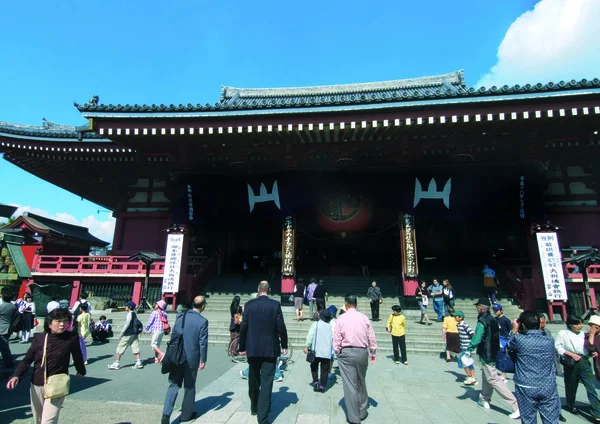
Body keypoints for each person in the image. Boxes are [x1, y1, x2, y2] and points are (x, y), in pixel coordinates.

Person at [7, 308, 86, 424]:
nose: (62, 324)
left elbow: (77, 356)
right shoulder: (39, 338)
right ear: (49, 323)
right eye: (58, 321)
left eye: (65, 321)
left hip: (57, 384)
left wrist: (81, 370)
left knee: (48, 421)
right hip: (37, 383)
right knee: (38, 420)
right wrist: (16, 375)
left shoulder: (71, 338)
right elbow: (28, 359)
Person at [238, 281, 288, 424]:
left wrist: (242, 347)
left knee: (254, 378)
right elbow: (281, 326)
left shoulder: (249, 305)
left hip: (252, 347)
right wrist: (284, 344)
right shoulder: (275, 305)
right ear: (269, 290)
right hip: (270, 348)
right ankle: (263, 417)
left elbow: (243, 327)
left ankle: (254, 406)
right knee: (267, 382)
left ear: (258, 290)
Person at [467, 297, 520, 419]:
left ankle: (515, 406)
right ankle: (484, 398)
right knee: (486, 376)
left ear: (480, 307)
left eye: (477, 307)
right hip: (494, 351)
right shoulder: (493, 319)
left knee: (493, 379)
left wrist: (469, 349)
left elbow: (476, 338)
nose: (476, 309)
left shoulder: (482, 321)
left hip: (487, 352)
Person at [161, 296, 209, 424]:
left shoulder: (181, 316)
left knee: (173, 384)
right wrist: (203, 359)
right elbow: (202, 342)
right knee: (189, 386)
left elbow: (175, 334)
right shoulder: (202, 321)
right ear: (203, 306)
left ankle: (166, 415)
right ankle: (186, 415)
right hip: (191, 358)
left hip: (177, 355)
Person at [507, 311, 560, 424]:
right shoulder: (549, 340)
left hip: (526, 385)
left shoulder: (519, 339)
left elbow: (508, 346)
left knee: (528, 420)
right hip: (547, 385)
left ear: (523, 325)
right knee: (551, 420)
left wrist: (514, 330)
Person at [333, 294, 377, 424]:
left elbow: (337, 338)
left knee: (350, 385)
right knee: (361, 381)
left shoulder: (341, 318)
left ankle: (354, 417)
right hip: (362, 352)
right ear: (356, 304)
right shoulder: (364, 318)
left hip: (346, 353)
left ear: (345, 305)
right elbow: (371, 336)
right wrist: (373, 350)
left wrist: (337, 351)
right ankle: (363, 411)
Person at [555, 314, 600, 418]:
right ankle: (570, 405)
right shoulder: (563, 333)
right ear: (570, 325)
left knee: (590, 386)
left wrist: (592, 353)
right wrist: (571, 354)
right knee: (571, 386)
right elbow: (558, 347)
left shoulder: (584, 334)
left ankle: (597, 411)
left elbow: (589, 347)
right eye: (576, 324)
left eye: (580, 323)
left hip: (583, 361)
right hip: (571, 362)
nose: (579, 326)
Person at [304, 309, 334, 392]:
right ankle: (322, 386)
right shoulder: (331, 327)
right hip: (326, 352)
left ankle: (316, 381)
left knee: (314, 366)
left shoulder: (316, 324)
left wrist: (307, 345)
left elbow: (310, 335)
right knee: (324, 369)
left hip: (316, 350)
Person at [108, 301, 143, 370]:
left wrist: (121, 333)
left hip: (128, 333)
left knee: (120, 347)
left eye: (126, 306)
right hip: (134, 333)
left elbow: (127, 324)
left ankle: (117, 363)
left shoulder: (130, 314)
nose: (125, 307)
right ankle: (138, 362)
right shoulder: (134, 313)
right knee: (135, 347)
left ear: (129, 307)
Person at [455, 311, 477, 385]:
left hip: (467, 347)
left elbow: (472, 333)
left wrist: (471, 344)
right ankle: (471, 377)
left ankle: (471, 376)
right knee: (466, 362)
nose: (455, 318)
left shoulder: (464, 325)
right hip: (463, 346)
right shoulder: (458, 325)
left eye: (456, 316)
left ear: (460, 317)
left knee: (463, 361)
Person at [493, 303, 512, 382]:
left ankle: (503, 375)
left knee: (503, 356)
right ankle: (497, 372)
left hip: (504, 339)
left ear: (501, 311)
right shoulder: (495, 319)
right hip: (497, 338)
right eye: (494, 310)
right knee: (497, 355)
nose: (495, 312)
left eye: (497, 310)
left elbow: (510, 330)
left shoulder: (505, 320)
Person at [0, 290, 18, 368]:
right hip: (8, 327)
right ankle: (8, 362)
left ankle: (8, 363)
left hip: (1, 328)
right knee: (5, 346)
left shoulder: (1, 306)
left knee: (4, 347)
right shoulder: (13, 306)